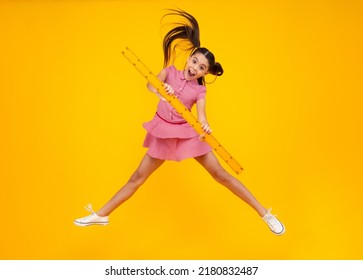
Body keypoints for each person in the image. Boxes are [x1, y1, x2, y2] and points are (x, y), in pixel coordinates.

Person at [74, 9, 285, 235]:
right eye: (194, 61)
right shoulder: (169, 71)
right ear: (190, 56)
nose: (195, 68)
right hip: (163, 132)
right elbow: (150, 86)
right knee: (137, 177)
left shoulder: (200, 89)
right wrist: (162, 90)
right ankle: (101, 215)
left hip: (187, 135)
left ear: (206, 72)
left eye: (201, 67)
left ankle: (265, 213)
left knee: (220, 175)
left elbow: (202, 115)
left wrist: (205, 126)